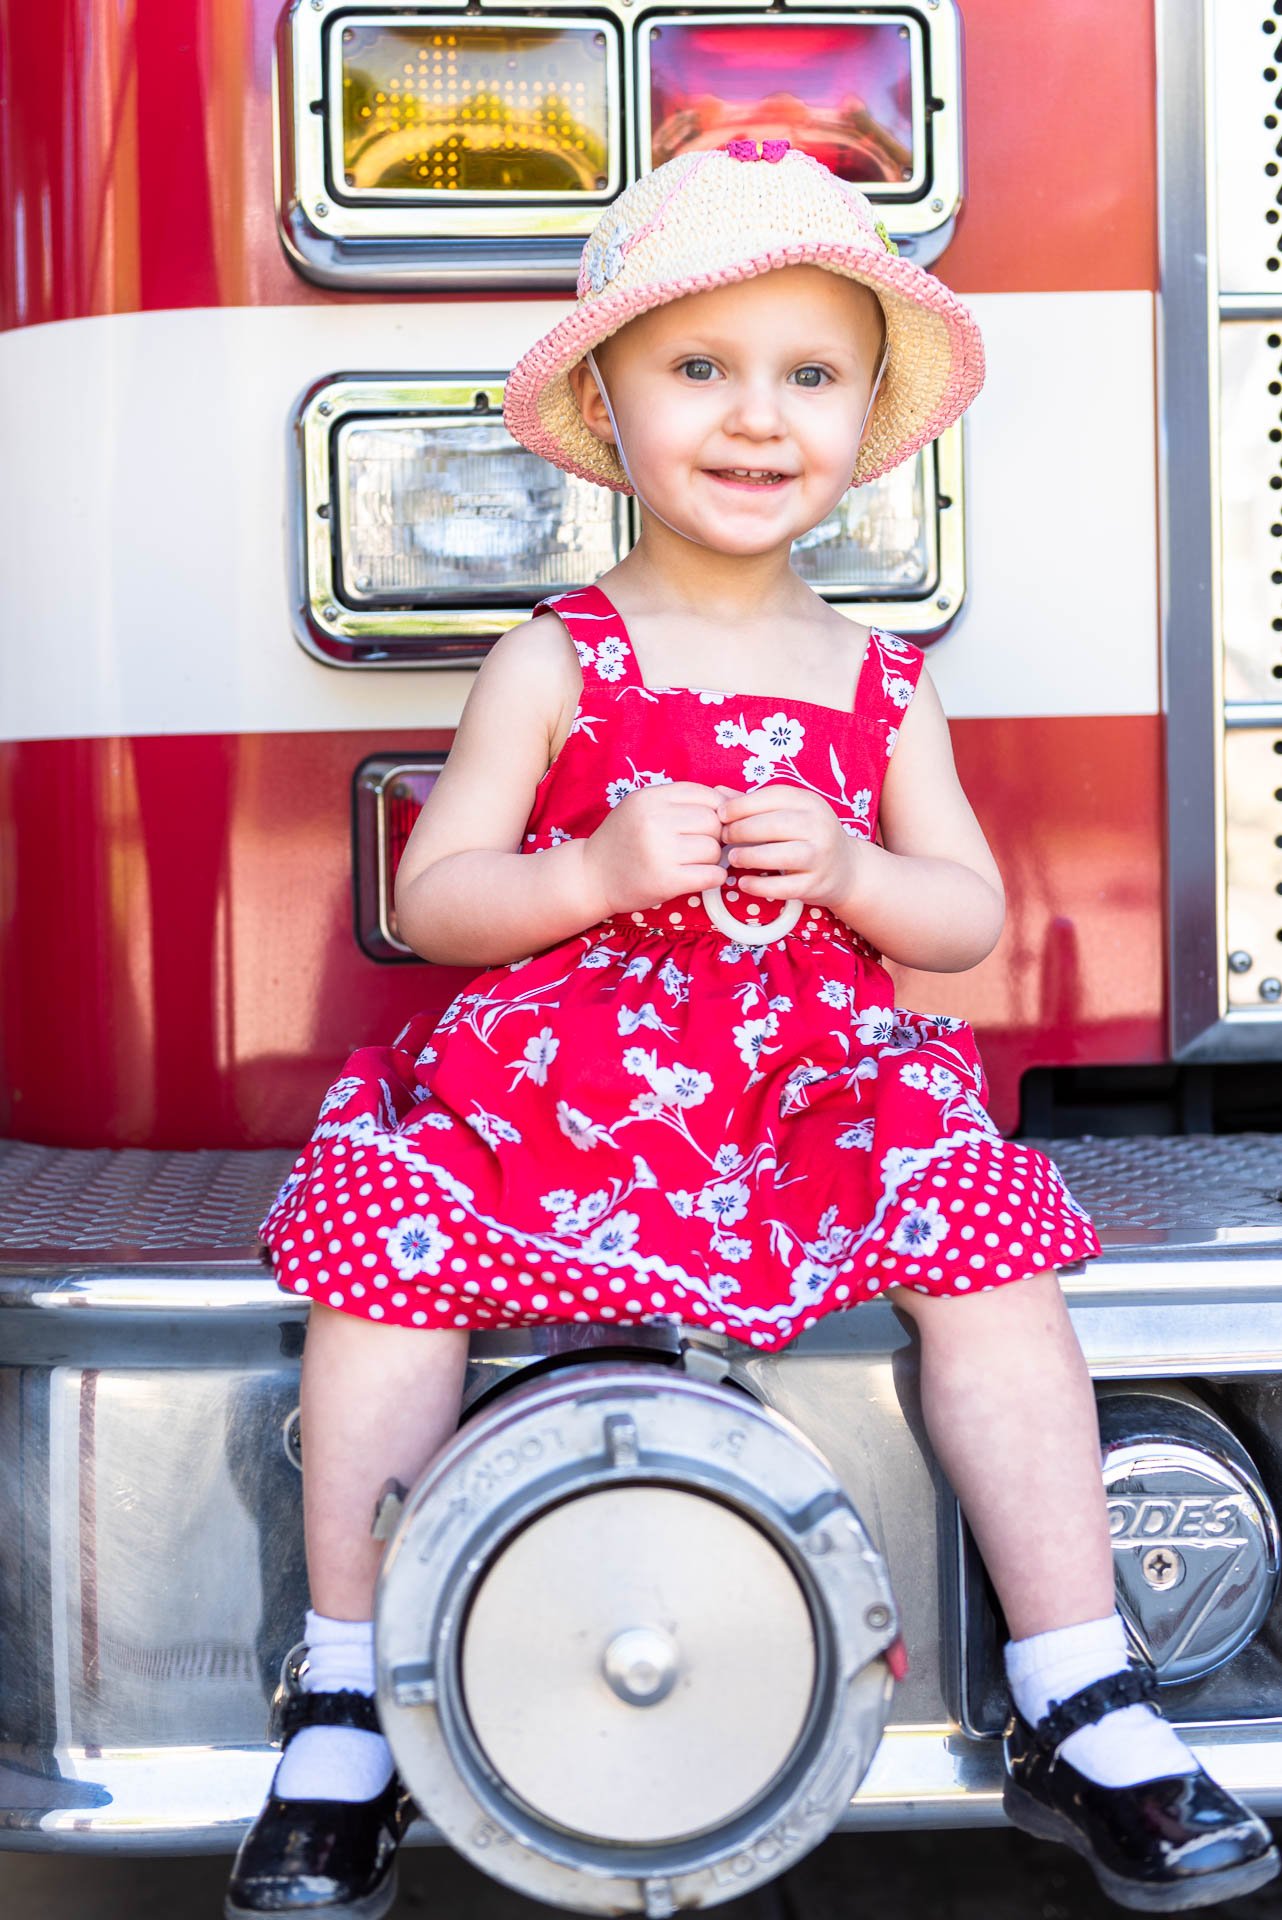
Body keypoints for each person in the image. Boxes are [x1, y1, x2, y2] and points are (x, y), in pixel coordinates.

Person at [225, 141, 1278, 1918]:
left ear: (868, 420)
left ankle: (1078, 1687)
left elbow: (963, 921)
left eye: (806, 376)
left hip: (807, 1094)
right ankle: (345, 1695)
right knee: (378, 1253)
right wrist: (593, 871)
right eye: (697, 369)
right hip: (562, 1087)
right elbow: (438, 897)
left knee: (994, 1252)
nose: (751, 417)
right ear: (611, 406)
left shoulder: (879, 679)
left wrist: (859, 867)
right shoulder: (559, 656)